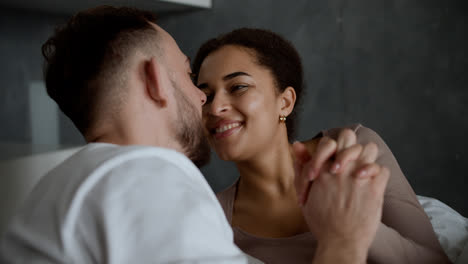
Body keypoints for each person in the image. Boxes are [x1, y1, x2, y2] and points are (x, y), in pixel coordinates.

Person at [0, 6, 389, 264]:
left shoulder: (63, 187)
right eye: (188, 76)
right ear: (156, 79)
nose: (203, 98)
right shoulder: (144, 178)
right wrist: (344, 240)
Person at [192, 28, 452, 264]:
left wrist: (354, 224)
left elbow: (436, 261)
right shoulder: (213, 220)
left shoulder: (352, 148)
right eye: (206, 96)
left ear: (285, 102)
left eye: (238, 87)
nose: (215, 108)